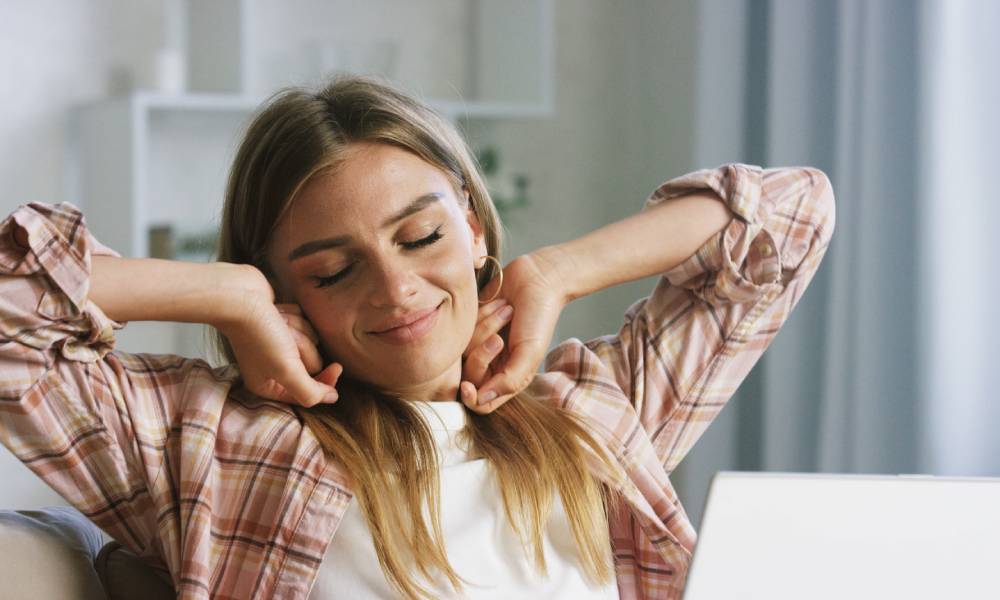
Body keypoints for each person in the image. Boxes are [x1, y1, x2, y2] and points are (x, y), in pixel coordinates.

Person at [0, 76, 835, 600]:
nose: (396, 291)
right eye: (331, 271)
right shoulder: (209, 440)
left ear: (473, 230)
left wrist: (556, 273)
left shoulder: (594, 415)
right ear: (290, 294)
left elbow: (791, 216)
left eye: (421, 237)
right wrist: (226, 294)